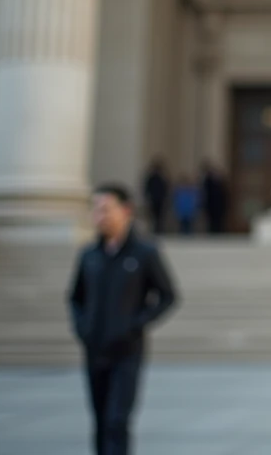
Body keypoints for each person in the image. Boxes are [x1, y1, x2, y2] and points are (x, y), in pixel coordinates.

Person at [68, 184, 179, 455]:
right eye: (95, 210)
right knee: (100, 421)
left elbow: (168, 296)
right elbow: (75, 297)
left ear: (125, 211)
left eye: (105, 209)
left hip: (127, 351)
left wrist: (136, 324)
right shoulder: (89, 255)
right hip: (94, 349)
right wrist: (83, 328)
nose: (99, 216)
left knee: (118, 420)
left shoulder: (144, 253)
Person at [142, 158, 169, 236]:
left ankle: (158, 230)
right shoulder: (153, 178)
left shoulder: (160, 178)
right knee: (155, 216)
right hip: (155, 199)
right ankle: (157, 230)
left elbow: (165, 189)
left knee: (159, 216)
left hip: (158, 200)